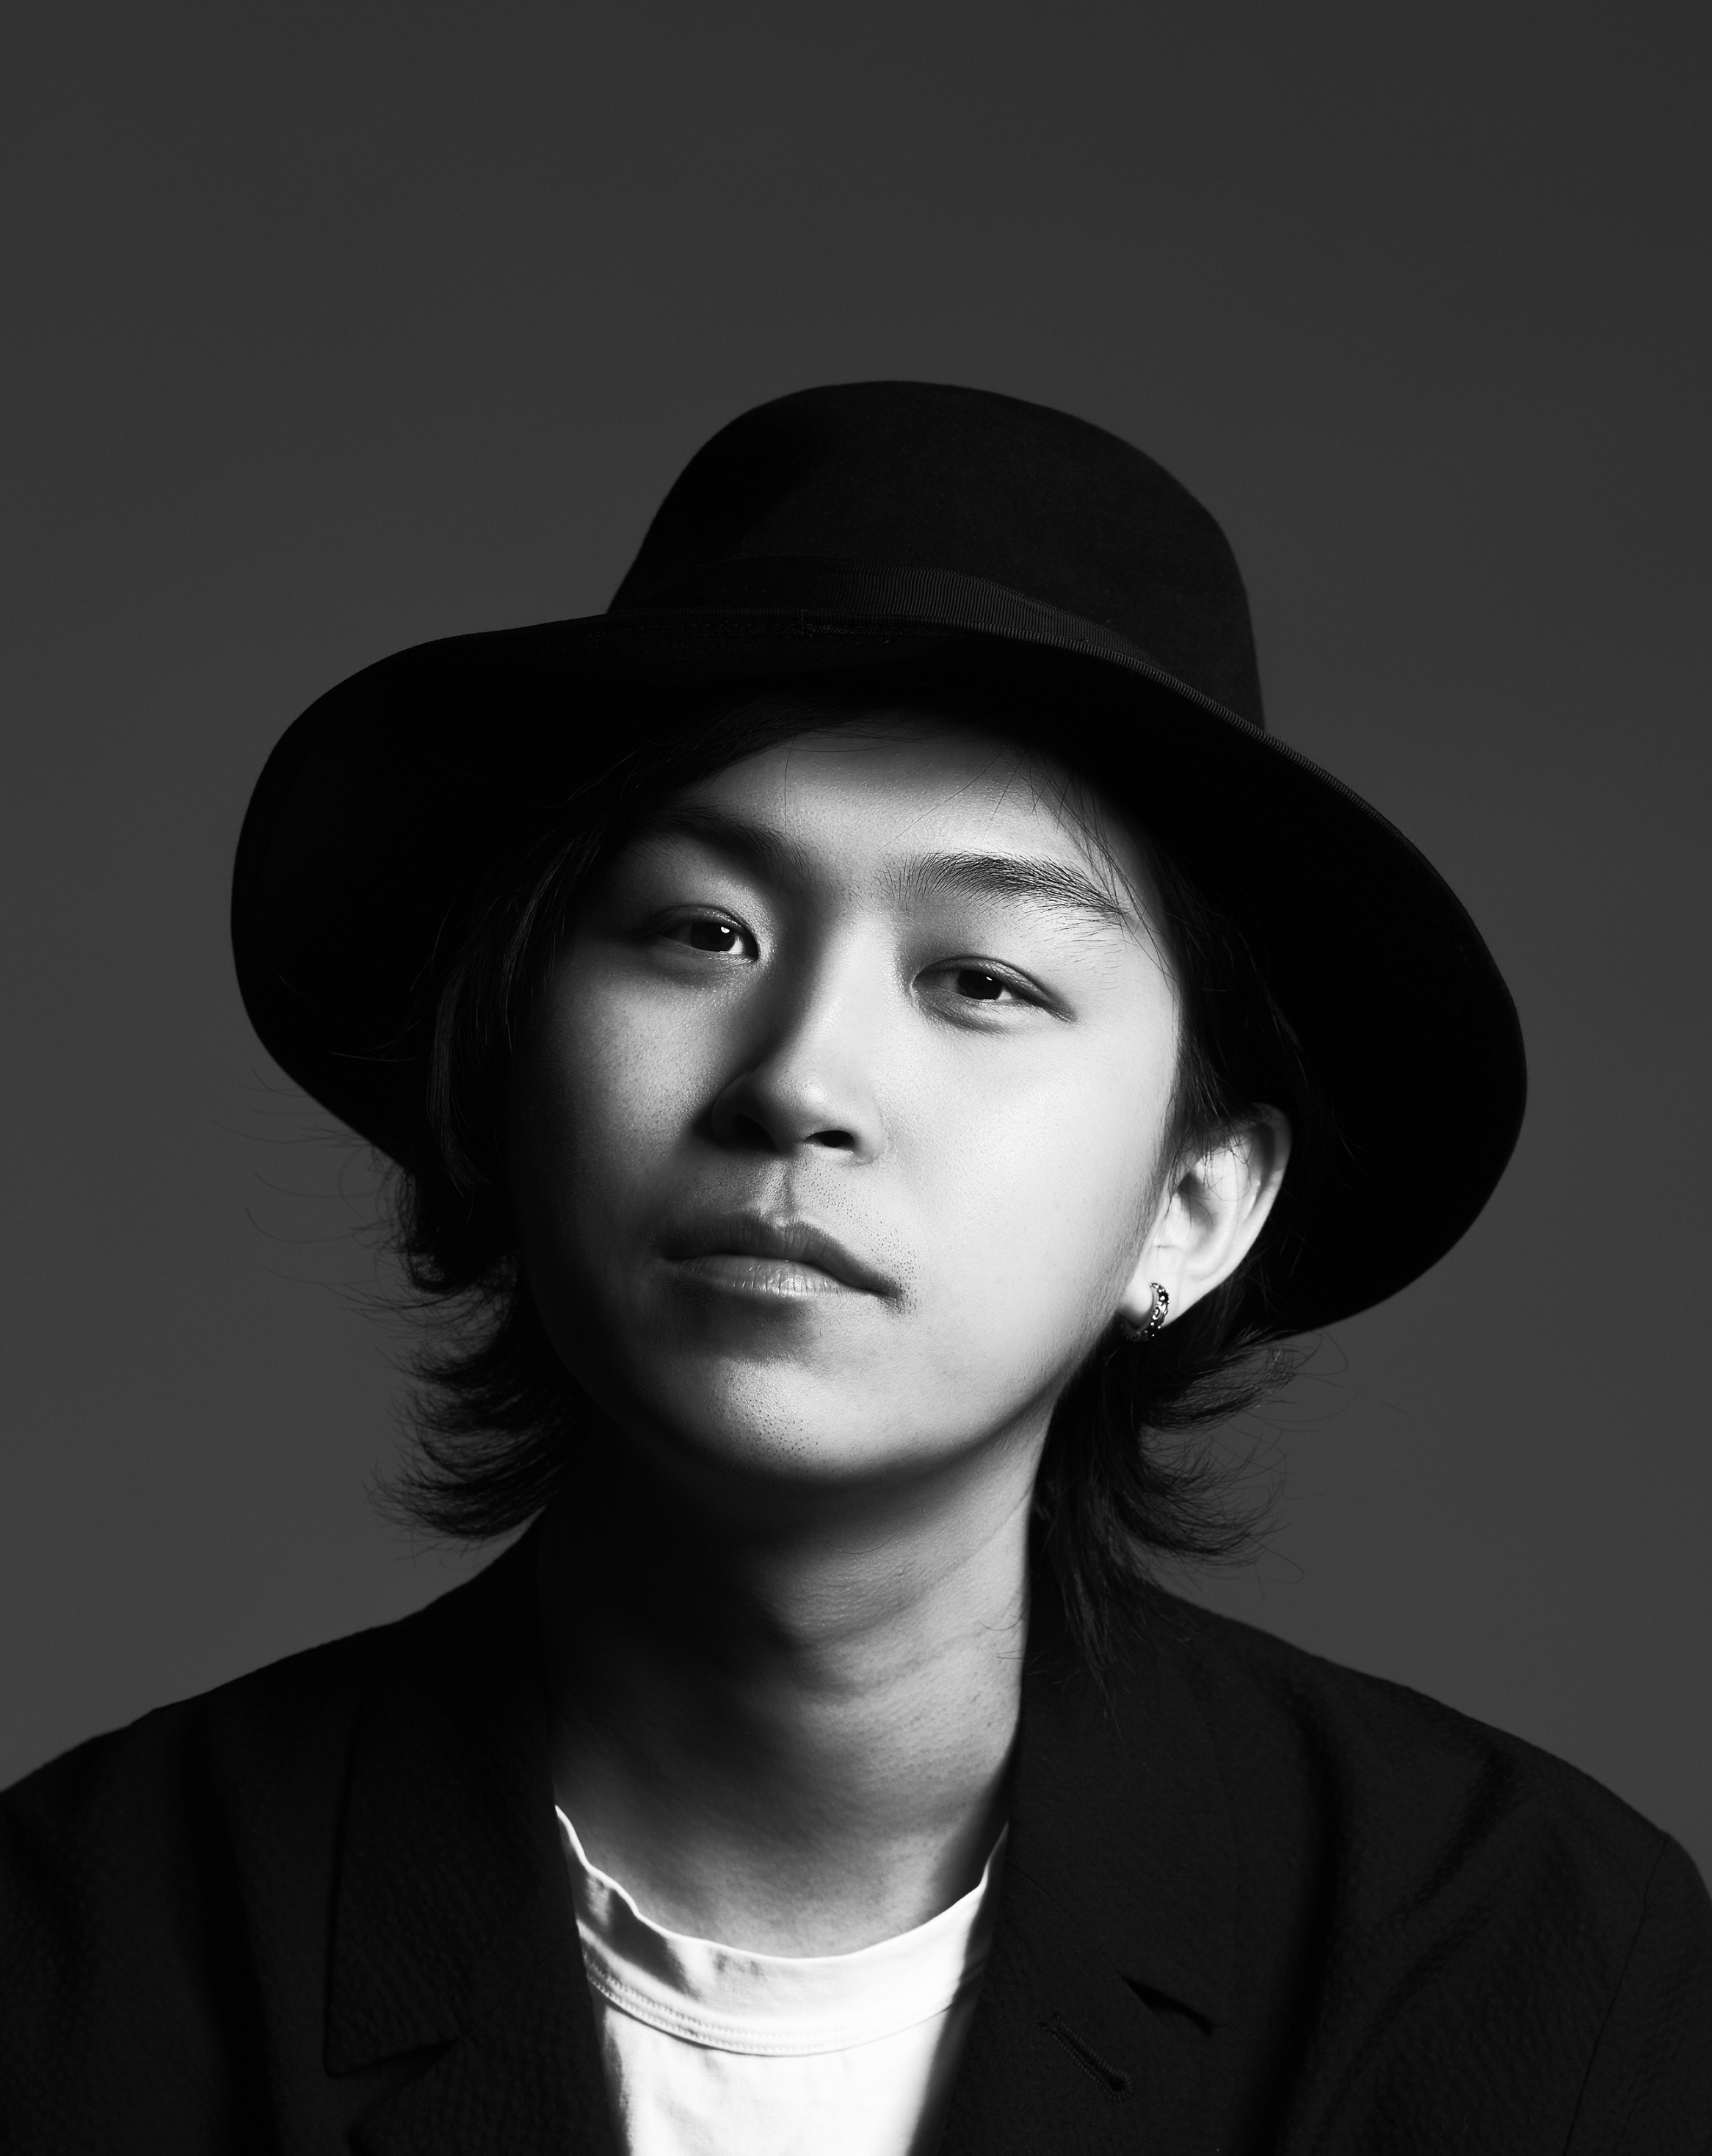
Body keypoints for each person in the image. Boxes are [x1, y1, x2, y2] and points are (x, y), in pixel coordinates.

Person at [2, 382, 1707, 2155]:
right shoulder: (76, 1962)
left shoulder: (1528, 1971)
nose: (800, 1079)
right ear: (505, 1078)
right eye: (698, 932)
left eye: (980, 980)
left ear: (1192, 1206)